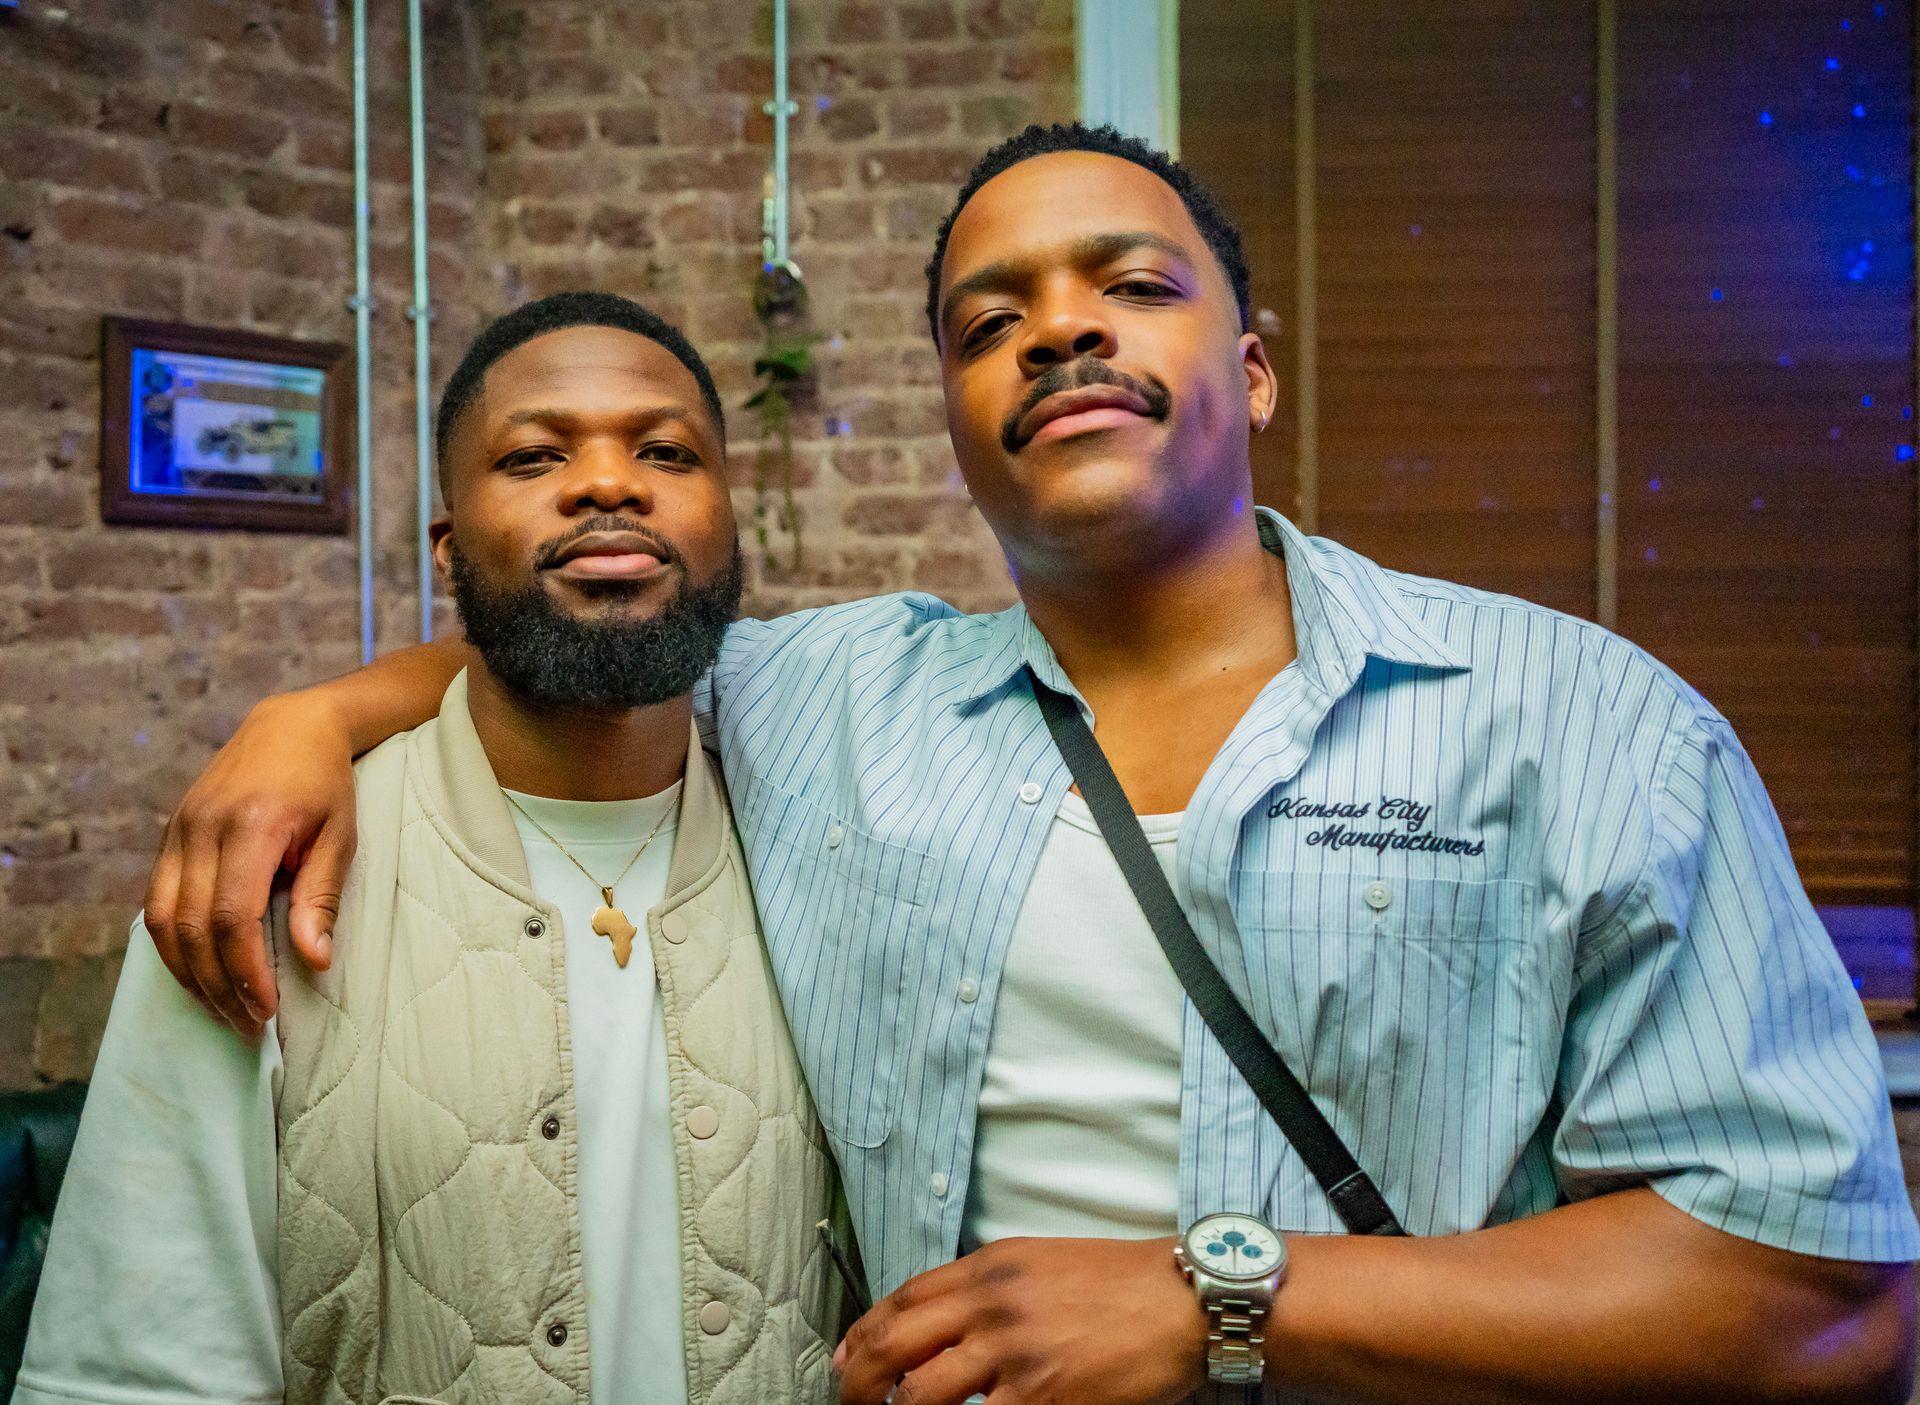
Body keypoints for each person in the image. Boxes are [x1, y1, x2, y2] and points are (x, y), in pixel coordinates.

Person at [141, 125, 1914, 1405]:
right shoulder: (832, 698)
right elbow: (588, 633)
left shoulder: (1590, 728)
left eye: (1130, 286)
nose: (1058, 330)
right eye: (992, 322)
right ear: (962, 424)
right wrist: (312, 720)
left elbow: (1825, 1306)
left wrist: (1225, 1306)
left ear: (1255, 367)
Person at [13, 293, 841, 1405]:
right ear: (450, 548)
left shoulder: (841, 838)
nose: (609, 482)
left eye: (665, 449)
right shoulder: (264, 879)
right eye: (537, 454)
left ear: (726, 520)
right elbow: (137, 1369)